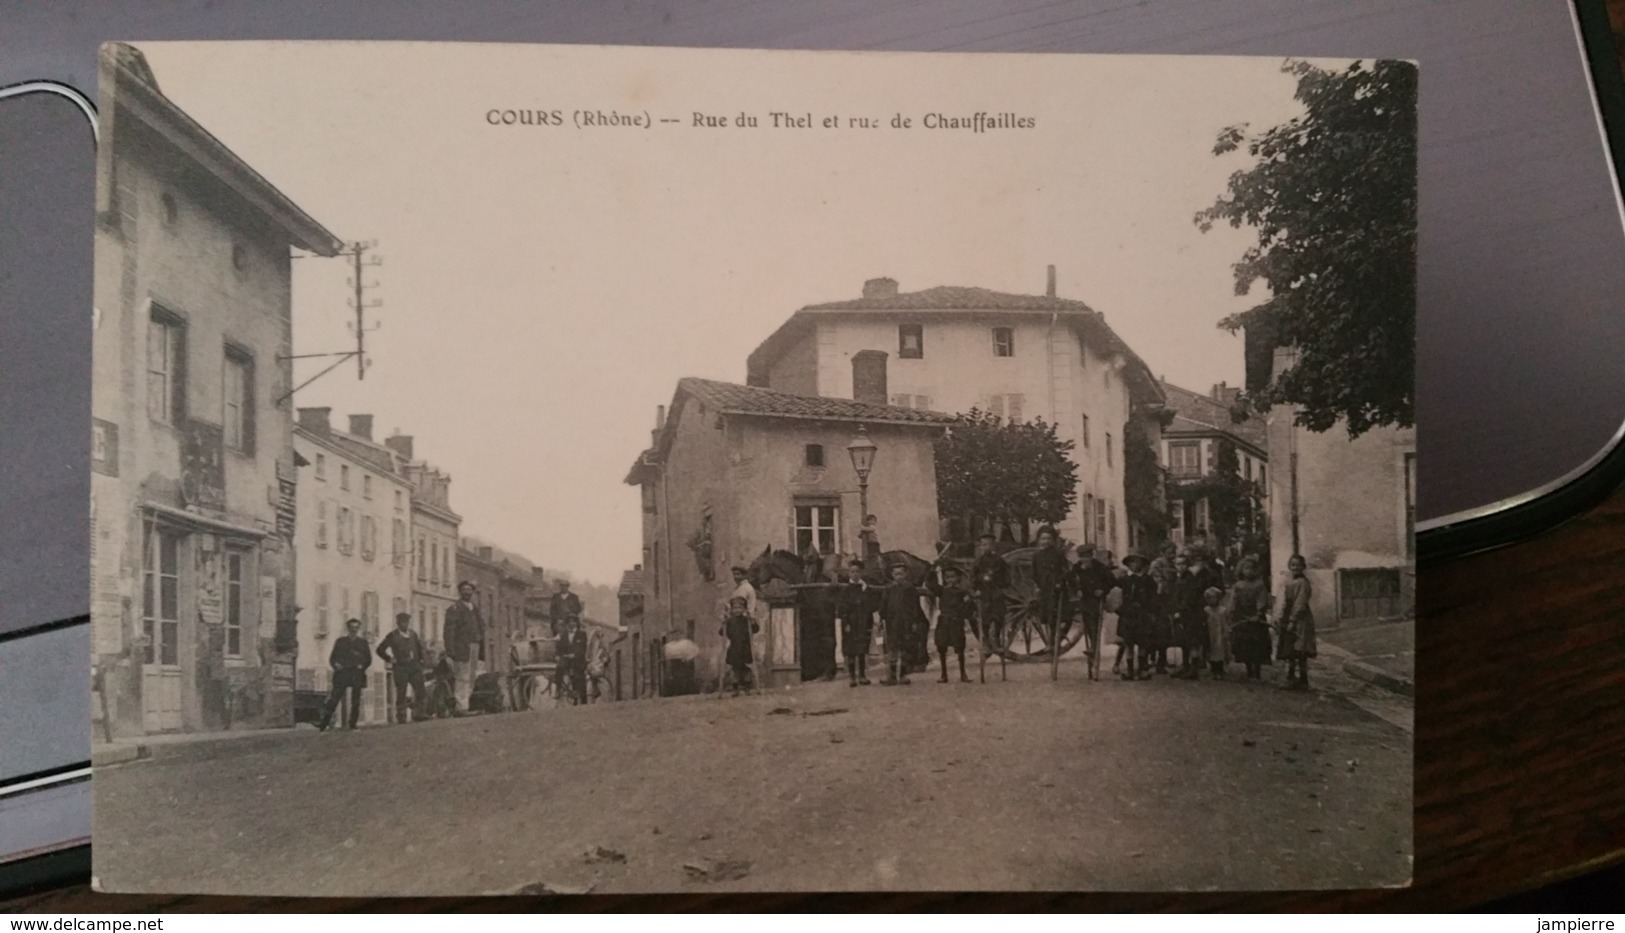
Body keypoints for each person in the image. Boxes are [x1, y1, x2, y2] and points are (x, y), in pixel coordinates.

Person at [319, 618, 373, 731]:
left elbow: (368, 659)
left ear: (359, 629)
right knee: (334, 698)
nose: (354, 630)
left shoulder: (363, 643)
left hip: (356, 673)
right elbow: (332, 658)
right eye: (352, 628)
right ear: (348, 628)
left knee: (356, 700)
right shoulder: (340, 641)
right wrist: (336, 665)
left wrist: (362, 666)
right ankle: (323, 724)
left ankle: (353, 724)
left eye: (356, 628)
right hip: (342, 673)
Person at [878, 562, 926, 686]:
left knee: (905, 649)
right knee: (892, 649)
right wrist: (882, 618)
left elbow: (915, 607)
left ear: (906, 574)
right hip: (892, 623)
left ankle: (903, 674)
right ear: (892, 575)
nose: (898, 576)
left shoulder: (910, 589)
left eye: (901, 573)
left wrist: (915, 622)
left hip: (906, 623)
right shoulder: (889, 589)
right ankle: (892, 675)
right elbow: (883, 606)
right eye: (896, 574)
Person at [1072, 543, 1115, 673]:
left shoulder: (1100, 567)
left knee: (1094, 623)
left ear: (1091, 556)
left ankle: (1094, 648)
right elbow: (1069, 580)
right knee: (1087, 622)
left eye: (1088, 557)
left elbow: (1111, 581)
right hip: (1084, 598)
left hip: (1096, 599)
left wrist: (1103, 590)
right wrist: (1076, 590)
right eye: (1083, 557)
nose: (1086, 560)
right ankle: (1092, 648)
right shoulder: (1076, 568)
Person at [376, 612, 427, 723]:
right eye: (402, 622)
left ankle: (419, 713)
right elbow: (379, 649)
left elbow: (419, 647)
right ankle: (401, 715)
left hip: (414, 665)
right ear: (398, 623)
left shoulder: (413, 634)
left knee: (420, 688)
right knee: (401, 691)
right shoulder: (392, 636)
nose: (405, 625)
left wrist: (421, 659)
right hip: (401, 667)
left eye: (406, 622)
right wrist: (389, 659)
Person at [927, 565, 974, 683]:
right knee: (941, 647)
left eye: (953, 577)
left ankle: (963, 673)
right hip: (944, 621)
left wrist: (968, 602)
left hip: (956, 621)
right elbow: (931, 585)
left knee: (959, 648)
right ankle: (943, 674)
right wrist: (932, 572)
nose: (950, 580)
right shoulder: (942, 590)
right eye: (947, 577)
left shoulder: (962, 592)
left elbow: (968, 608)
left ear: (958, 578)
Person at [797, 552, 839, 682]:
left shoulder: (823, 578)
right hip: (813, 616)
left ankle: (828, 670)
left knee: (826, 638)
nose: (810, 567)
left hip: (823, 615)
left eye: (812, 563)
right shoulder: (807, 577)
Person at [1229, 556, 1273, 680]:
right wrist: (1232, 613)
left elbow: (1262, 600)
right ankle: (1249, 669)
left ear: (1256, 570)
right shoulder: (1238, 585)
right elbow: (1233, 600)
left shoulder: (1259, 584)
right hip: (1241, 616)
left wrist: (1258, 613)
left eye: (1251, 569)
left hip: (1256, 617)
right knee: (1244, 644)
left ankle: (1257, 669)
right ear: (1241, 570)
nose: (1249, 571)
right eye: (1246, 568)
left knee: (1258, 644)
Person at [1277, 554, 1317, 690]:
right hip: (1289, 615)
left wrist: (1292, 620)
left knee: (1299, 650)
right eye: (1293, 565)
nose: (1295, 567)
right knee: (1291, 649)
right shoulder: (1290, 581)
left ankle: (1303, 679)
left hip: (1300, 619)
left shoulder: (1302, 583)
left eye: (1298, 565)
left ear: (1303, 567)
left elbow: (1300, 603)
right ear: (1289, 566)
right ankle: (1292, 676)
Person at [443, 582, 485, 712]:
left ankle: (466, 704)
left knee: (472, 676)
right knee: (462, 677)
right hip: (461, 648)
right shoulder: (454, 608)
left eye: (469, 589)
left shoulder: (475, 608)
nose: (467, 592)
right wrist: (450, 650)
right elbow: (449, 630)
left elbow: (481, 626)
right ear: (460, 592)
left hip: (474, 646)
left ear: (472, 592)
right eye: (464, 589)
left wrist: (481, 643)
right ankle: (461, 707)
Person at [1116, 553, 1158, 681]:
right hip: (1128, 616)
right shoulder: (1123, 580)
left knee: (1142, 644)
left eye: (1138, 562)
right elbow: (1116, 597)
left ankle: (1141, 670)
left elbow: (1153, 598)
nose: (1135, 565)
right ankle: (1129, 671)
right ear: (1128, 565)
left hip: (1142, 616)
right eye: (1132, 562)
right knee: (1128, 644)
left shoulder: (1148, 580)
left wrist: (1151, 613)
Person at [1032, 525, 1070, 656]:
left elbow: (1065, 570)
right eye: (1043, 539)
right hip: (1044, 589)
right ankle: (1050, 641)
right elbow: (1034, 573)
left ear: (1052, 540)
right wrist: (1037, 585)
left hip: (1057, 589)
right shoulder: (1037, 555)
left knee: (1056, 616)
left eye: (1048, 538)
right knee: (1045, 617)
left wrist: (1059, 582)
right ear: (1039, 540)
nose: (1045, 541)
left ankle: (1054, 641)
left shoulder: (1058, 554)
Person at [837, 559, 874, 687]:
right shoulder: (845, 590)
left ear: (861, 573)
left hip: (862, 623)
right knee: (851, 650)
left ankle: (862, 675)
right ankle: (852, 677)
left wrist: (870, 623)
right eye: (852, 572)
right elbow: (841, 609)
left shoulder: (866, 589)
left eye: (857, 571)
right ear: (849, 574)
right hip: (850, 624)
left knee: (862, 650)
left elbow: (870, 606)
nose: (855, 574)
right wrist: (846, 623)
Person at [971, 533, 1010, 650]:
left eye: (988, 544)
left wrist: (1001, 584)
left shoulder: (999, 561)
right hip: (984, 593)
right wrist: (976, 589)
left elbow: (1007, 577)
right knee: (985, 618)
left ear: (993, 546)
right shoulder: (978, 562)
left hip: (996, 591)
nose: (986, 547)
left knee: (998, 617)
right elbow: (973, 577)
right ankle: (987, 641)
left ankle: (997, 640)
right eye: (983, 544)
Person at [720, 595, 759, 695]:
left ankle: (747, 686)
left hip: (745, 648)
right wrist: (723, 624)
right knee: (734, 669)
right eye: (735, 608)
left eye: (740, 608)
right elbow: (722, 633)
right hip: (734, 648)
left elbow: (755, 630)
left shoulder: (747, 620)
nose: (737, 610)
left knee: (746, 668)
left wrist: (753, 622)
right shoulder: (729, 621)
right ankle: (735, 688)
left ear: (744, 609)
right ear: (732, 609)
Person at [555, 615, 589, 704]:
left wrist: (575, 654)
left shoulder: (582, 634)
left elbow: (583, 648)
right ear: (567, 623)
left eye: (573, 621)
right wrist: (557, 655)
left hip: (578, 660)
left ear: (576, 623)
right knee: (559, 668)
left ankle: (583, 701)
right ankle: (558, 688)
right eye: (569, 621)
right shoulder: (564, 635)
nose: (571, 623)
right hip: (567, 660)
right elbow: (559, 648)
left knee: (579, 678)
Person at [1203, 586, 1232, 678]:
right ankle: (1213, 668)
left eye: (1214, 597)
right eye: (1210, 598)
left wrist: (1226, 631)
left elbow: (1225, 622)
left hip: (1219, 632)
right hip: (1210, 632)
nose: (1212, 600)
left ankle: (1220, 668)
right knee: (1210, 649)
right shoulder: (1206, 610)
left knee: (1220, 649)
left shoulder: (1222, 610)